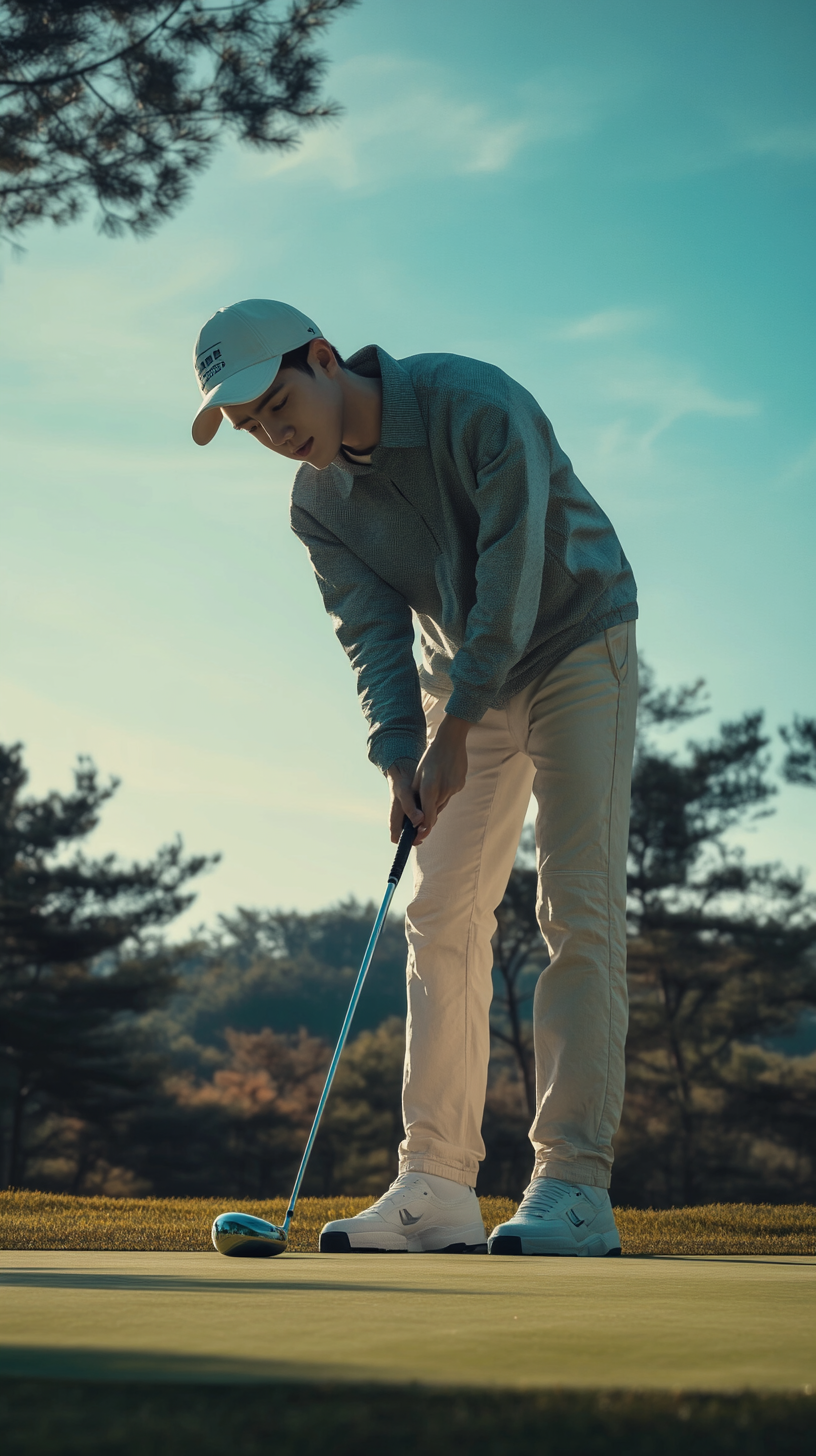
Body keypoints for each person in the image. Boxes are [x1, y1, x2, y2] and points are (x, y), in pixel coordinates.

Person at [191, 298, 638, 1257]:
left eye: (276, 405)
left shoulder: (472, 403)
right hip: (458, 682)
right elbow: (370, 637)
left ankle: (573, 1187)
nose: (272, 436)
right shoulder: (317, 503)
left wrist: (456, 728)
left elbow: (513, 576)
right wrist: (401, 752)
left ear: (323, 358)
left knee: (578, 907)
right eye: (250, 427)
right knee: (439, 916)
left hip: (573, 638)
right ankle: (435, 1182)